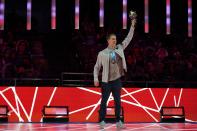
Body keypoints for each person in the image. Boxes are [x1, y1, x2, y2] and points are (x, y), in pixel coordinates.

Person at [93, 11, 136, 129]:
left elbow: (129, 38)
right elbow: (96, 67)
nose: (115, 41)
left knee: (118, 102)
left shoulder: (120, 48)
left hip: (117, 80)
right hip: (106, 81)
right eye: (112, 39)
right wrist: (96, 79)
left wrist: (132, 25)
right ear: (108, 40)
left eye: (115, 39)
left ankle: (118, 122)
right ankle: (102, 121)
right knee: (104, 102)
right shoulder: (102, 53)